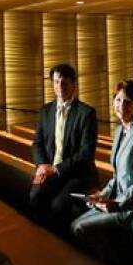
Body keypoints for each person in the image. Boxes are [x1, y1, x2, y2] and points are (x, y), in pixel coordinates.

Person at [70, 80, 133, 265]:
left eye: (127, 102)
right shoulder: (119, 130)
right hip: (117, 202)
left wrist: (118, 204)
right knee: (75, 224)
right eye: (118, 100)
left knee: (80, 229)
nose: (121, 106)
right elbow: (117, 176)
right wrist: (102, 195)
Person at [30, 63, 99, 234]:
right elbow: (37, 143)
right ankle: (43, 238)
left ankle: (63, 246)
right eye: (56, 82)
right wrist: (42, 166)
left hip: (76, 173)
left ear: (73, 84)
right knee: (35, 196)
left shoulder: (86, 113)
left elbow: (86, 154)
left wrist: (56, 169)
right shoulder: (45, 110)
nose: (59, 87)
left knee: (58, 206)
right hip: (51, 170)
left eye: (64, 83)